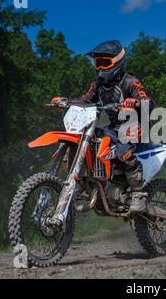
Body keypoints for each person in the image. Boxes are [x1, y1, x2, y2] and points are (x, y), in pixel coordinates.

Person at [51, 40, 152, 213]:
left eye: (105, 62)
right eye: (98, 63)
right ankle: (83, 182)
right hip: (114, 127)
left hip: (134, 128)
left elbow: (148, 102)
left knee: (122, 150)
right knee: (85, 138)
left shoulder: (131, 82)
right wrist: (65, 101)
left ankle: (138, 192)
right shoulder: (98, 84)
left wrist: (134, 102)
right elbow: (85, 100)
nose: (101, 67)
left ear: (118, 62)